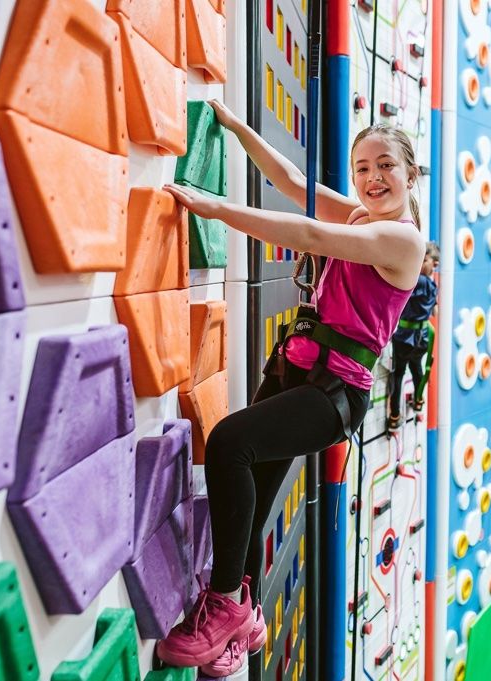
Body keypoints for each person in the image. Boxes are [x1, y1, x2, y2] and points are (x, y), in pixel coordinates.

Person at [156, 100, 425, 675]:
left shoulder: (402, 241)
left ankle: (226, 602)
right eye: (362, 168)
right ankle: (243, 620)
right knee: (246, 498)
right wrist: (236, 127)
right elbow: (294, 183)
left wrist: (214, 209)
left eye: (386, 166)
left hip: (333, 393)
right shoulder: (359, 216)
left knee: (230, 444)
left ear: (410, 174)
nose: (373, 178)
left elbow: (305, 230)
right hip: (295, 369)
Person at [387, 241, 439, 431]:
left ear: (434, 264)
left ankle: (394, 415)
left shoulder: (420, 281)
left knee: (398, 373)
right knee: (417, 368)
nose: (419, 263)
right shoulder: (432, 284)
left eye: (423, 260)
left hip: (405, 336)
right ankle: (418, 401)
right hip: (422, 337)